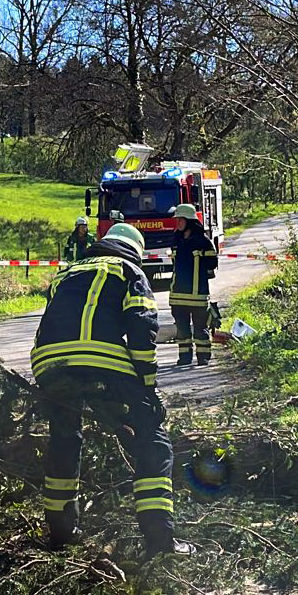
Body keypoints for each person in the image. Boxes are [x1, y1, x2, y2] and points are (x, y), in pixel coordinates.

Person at [30, 223, 189, 557]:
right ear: (135, 250)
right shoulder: (129, 270)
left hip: (49, 364)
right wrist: (147, 390)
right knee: (153, 442)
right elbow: (142, 330)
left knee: (64, 439)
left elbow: (50, 322)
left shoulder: (66, 273)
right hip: (102, 362)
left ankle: (61, 534)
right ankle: (160, 541)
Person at [167, 203, 218, 367]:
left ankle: (203, 358)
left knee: (200, 329)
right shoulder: (176, 239)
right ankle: (185, 357)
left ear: (189, 220)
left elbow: (212, 264)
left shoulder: (203, 241)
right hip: (178, 295)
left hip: (198, 294)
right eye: (177, 220)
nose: (178, 223)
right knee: (182, 329)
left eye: (181, 220)